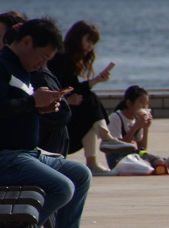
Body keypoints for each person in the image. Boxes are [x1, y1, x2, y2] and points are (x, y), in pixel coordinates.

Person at [0, 18, 103, 228]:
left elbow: (20, 107)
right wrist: (32, 102)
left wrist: (41, 108)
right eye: (43, 56)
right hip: (2, 156)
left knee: (80, 174)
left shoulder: (26, 70)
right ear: (27, 42)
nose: (44, 63)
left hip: (28, 153)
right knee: (62, 187)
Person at [48, 21, 128, 173]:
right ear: (78, 38)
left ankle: (94, 159)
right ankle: (105, 138)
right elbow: (54, 86)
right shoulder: (62, 57)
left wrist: (97, 80)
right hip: (52, 111)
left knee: (89, 107)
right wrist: (67, 99)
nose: (91, 46)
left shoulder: (68, 57)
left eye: (93, 43)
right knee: (89, 99)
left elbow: (72, 87)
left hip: (61, 109)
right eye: (89, 41)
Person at [104, 85, 169, 173]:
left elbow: (142, 148)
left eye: (147, 103)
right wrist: (136, 126)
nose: (145, 107)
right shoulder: (115, 118)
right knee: (147, 165)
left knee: (156, 160)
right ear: (129, 103)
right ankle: (165, 167)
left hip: (133, 155)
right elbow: (118, 147)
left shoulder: (136, 118)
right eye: (142, 103)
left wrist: (145, 128)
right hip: (117, 160)